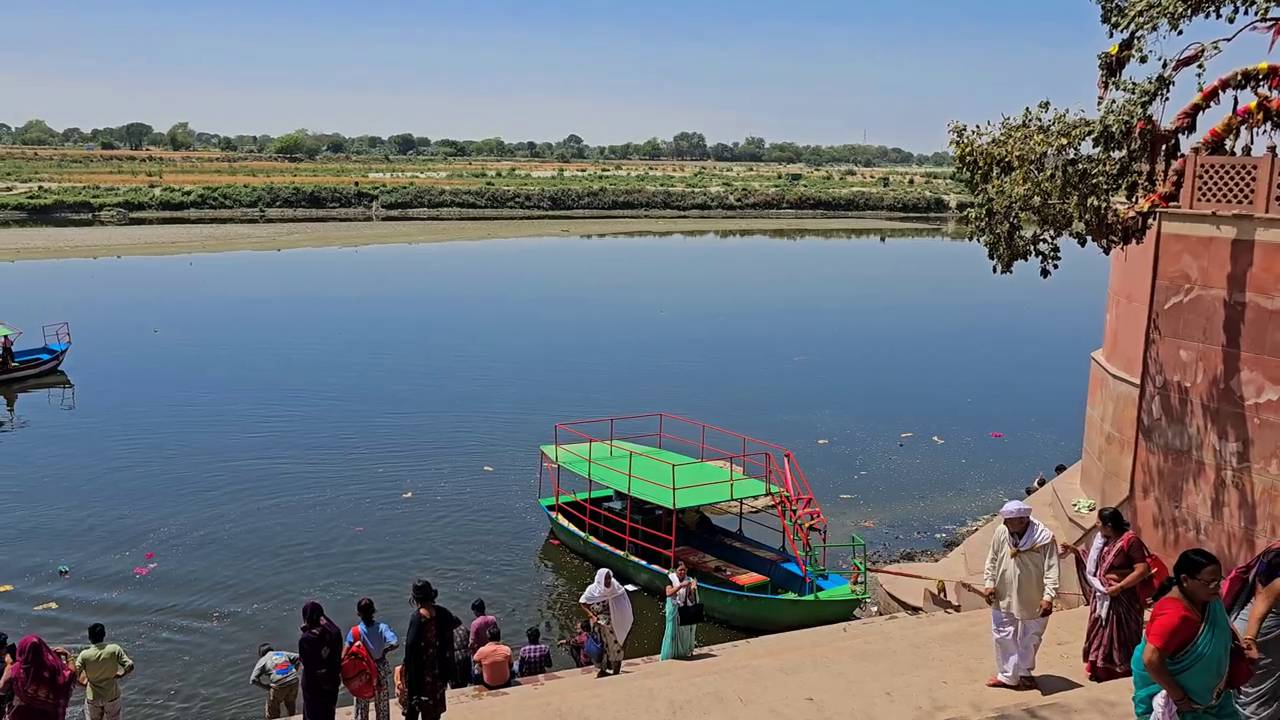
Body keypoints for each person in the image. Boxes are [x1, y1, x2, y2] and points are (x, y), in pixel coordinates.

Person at [1133, 548, 1247, 719]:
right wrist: (1179, 698)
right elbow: (1151, 659)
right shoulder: (1175, 616)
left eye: (1218, 581)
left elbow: (1221, 627)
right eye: (1209, 582)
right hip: (1180, 697)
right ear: (1185, 580)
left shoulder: (1206, 600)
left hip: (1211, 695)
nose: (1217, 588)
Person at [982, 499, 1060, 691]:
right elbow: (992, 558)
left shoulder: (1044, 539)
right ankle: (1007, 676)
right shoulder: (1002, 531)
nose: (1005, 524)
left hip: (1033, 596)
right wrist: (989, 583)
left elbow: (1052, 569)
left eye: (1010, 521)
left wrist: (1048, 597)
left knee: (1030, 636)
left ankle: (1025, 673)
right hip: (1004, 593)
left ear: (1023, 520)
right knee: (1002, 633)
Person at [1069, 507, 1151, 683]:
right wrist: (1076, 552)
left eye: (1098, 523)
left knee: (1120, 635)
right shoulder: (1104, 539)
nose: (1096, 526)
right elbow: (1096, 563)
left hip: (1123, 597)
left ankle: (1119, 670)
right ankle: (1097, 668)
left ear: (1108, 525)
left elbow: (1142, 570)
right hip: (1102, 594)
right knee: (1100, 631)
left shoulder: (1130, 541)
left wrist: (1120, 587)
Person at [1226, 540, 1280, 719]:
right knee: (1256, 696)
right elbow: (1265, 598)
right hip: (1261, 632)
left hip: (1254, 627)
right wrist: (1251, 639)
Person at [401, 579, 462, 720]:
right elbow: (456, 622)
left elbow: (410, 647)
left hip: (420, 675)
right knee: (433, 714)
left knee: (414, 710)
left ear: (415, 598)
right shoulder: (441, 613)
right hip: (438, 671)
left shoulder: (417, 618)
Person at [345, 598, 399, 720]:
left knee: (361, 705)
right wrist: (385, 651)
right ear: (374, 611)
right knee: (382, 705)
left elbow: (345, 654)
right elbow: (395, 643)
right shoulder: (383, 627)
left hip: (362, 672)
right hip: (380, 670)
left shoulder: (355, 632)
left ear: (358, 614)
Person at [0, 635, 76, 720]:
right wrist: (69, 657)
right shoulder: (53, 672)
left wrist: (9, 665)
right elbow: (70, 676)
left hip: (21, 715)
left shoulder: (16, 670)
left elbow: (2, 689)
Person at [579, 568, 634, 678]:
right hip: (598, 625)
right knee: (601, 647)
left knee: (617, 647)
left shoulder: (616, 587)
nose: (608, 581)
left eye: (609, 578)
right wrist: (591, 615)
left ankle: (616, 671)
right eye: (605, 578)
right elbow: (582, 602)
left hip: (613, 624)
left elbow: (623, 602)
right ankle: (602, 670)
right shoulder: (592, 590)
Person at [75, 623, 134, 720]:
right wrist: (121, 674)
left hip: (93, 696)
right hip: (112, 695)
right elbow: (130, 666)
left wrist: (81, 684)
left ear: (89, 637)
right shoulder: (114, 649)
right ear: (104, 634)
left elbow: (73, 675)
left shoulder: (84, 655)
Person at [298, 601, 343, 720]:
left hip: (314, 685)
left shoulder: (306, 639)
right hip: (331, 682)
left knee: (312, 715)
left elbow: (306, 662)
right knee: (328, 713)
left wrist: (306, 632)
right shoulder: (334, 632)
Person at [250, 643, 301, 719]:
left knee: (272, 709)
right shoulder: (283, 653)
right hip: (294, 680)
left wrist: (266, 687)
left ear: (261, 654)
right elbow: (300, 657)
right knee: (291, 703)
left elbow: (253, 679)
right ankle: (293, 716)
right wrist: (295, 669)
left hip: (280, 684)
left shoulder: (263, 660)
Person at [661, 560, 698, 661]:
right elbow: (668, 593)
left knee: (685, 635)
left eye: (684, 570)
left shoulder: (689, 580)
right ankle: (670, 656)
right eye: (680, 570)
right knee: (671, 635)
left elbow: (691, 600)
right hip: (673, 611)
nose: (682, 572)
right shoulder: (670, 578)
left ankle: (683, 653)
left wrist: (693, 589)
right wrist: (681, 586)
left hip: (684, 611)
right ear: (675, 570)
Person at [449, 618, 470, 690]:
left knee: (454, 679)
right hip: (466, 654)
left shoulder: (448, 633)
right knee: (465, 677)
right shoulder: (464, 628)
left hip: (455, 655)